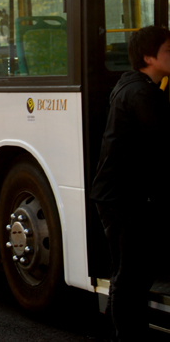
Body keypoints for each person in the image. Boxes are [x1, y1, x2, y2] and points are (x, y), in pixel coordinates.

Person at [90, 25, 170, 341]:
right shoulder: (142, 94)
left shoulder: (133, 85)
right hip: (123, 198)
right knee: (130, 274)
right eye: (168, 51)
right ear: (149, 57)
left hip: (121, 196)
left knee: (132, 272)